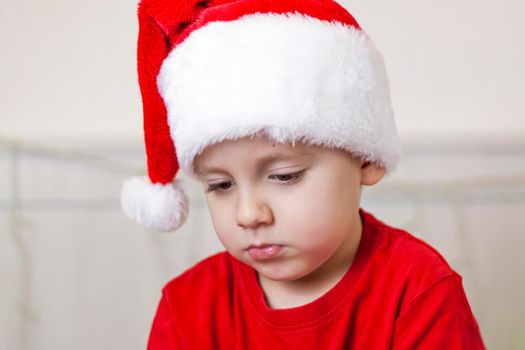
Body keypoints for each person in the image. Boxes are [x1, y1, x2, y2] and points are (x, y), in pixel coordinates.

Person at [120, 0, 486, 348]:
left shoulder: (418, 290)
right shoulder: (188, 307)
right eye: (220, 185)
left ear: (365, 158)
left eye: (285, 176)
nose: (248, 215)